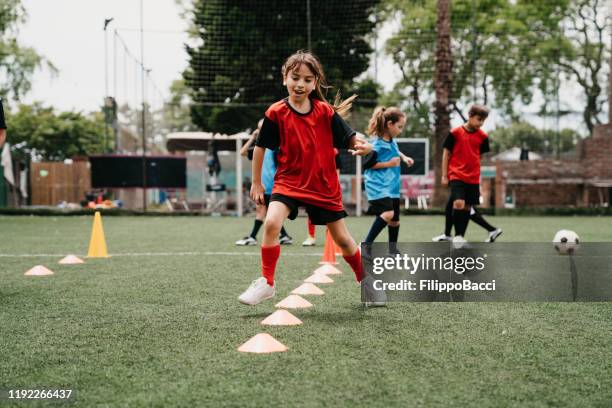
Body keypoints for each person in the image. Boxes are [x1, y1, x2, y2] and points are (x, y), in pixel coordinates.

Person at [238, 50, 373, 306]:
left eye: (308, 79)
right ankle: (267, 283)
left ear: (315, 83)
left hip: (323, 185)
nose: (300, 84)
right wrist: (257, 182)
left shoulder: (324, 111)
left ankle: (366, 281)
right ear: (284, 78)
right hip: (288, 181)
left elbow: (349, 137)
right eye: (295, 77)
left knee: (343, 240)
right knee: (271, 223)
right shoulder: (276, 112)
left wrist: (361, 145)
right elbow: (259, 147)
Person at [362, 107, 413, 254]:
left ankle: (392, 250)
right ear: (390, 124)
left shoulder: (392, 141)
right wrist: (389, 164)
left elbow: (395, 152)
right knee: (388, 213)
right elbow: (367, 165)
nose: (401, 130)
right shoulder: (376, 145)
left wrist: (404, 158)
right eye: (399, 126)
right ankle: (366, 245)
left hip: (392, 187)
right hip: (378, 186)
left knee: (395, 220)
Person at [441, 104, 492, 245]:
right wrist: (444, 175)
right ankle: (456, 236)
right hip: (456, 174)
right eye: (479, 119)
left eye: (483, 121)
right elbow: (446, 154)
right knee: (458, 203)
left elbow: (479, 156)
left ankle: (459, 237)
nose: (481, 123)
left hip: (473, 177)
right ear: (470, 116)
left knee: (467, 208)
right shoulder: (455, 133)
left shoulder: (483, 136)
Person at [235, 120, 293, 245]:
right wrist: (252, 137)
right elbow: (242, 152)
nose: (261, 130)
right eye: (259, 128)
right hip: (261, 186)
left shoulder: (275, 147)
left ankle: (253, 237)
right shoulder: (258, 148)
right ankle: (284, 236)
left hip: (271, 185)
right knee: (263, 210)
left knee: (263, 210)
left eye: (263, 128)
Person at [302, 148, 342, 246]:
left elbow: (337, 170)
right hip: (313, 184)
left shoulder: (334, 152)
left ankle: (330, 238)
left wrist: (335, 185)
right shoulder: (310, 149)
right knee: (310, 211)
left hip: (329, 186)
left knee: (330, 212)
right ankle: (311, 237)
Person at [431, 199, 502, 242]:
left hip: (464, 180)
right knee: (450, 207)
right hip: (460, 179)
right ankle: (448, 234)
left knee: (466, 209)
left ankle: (457, 236)